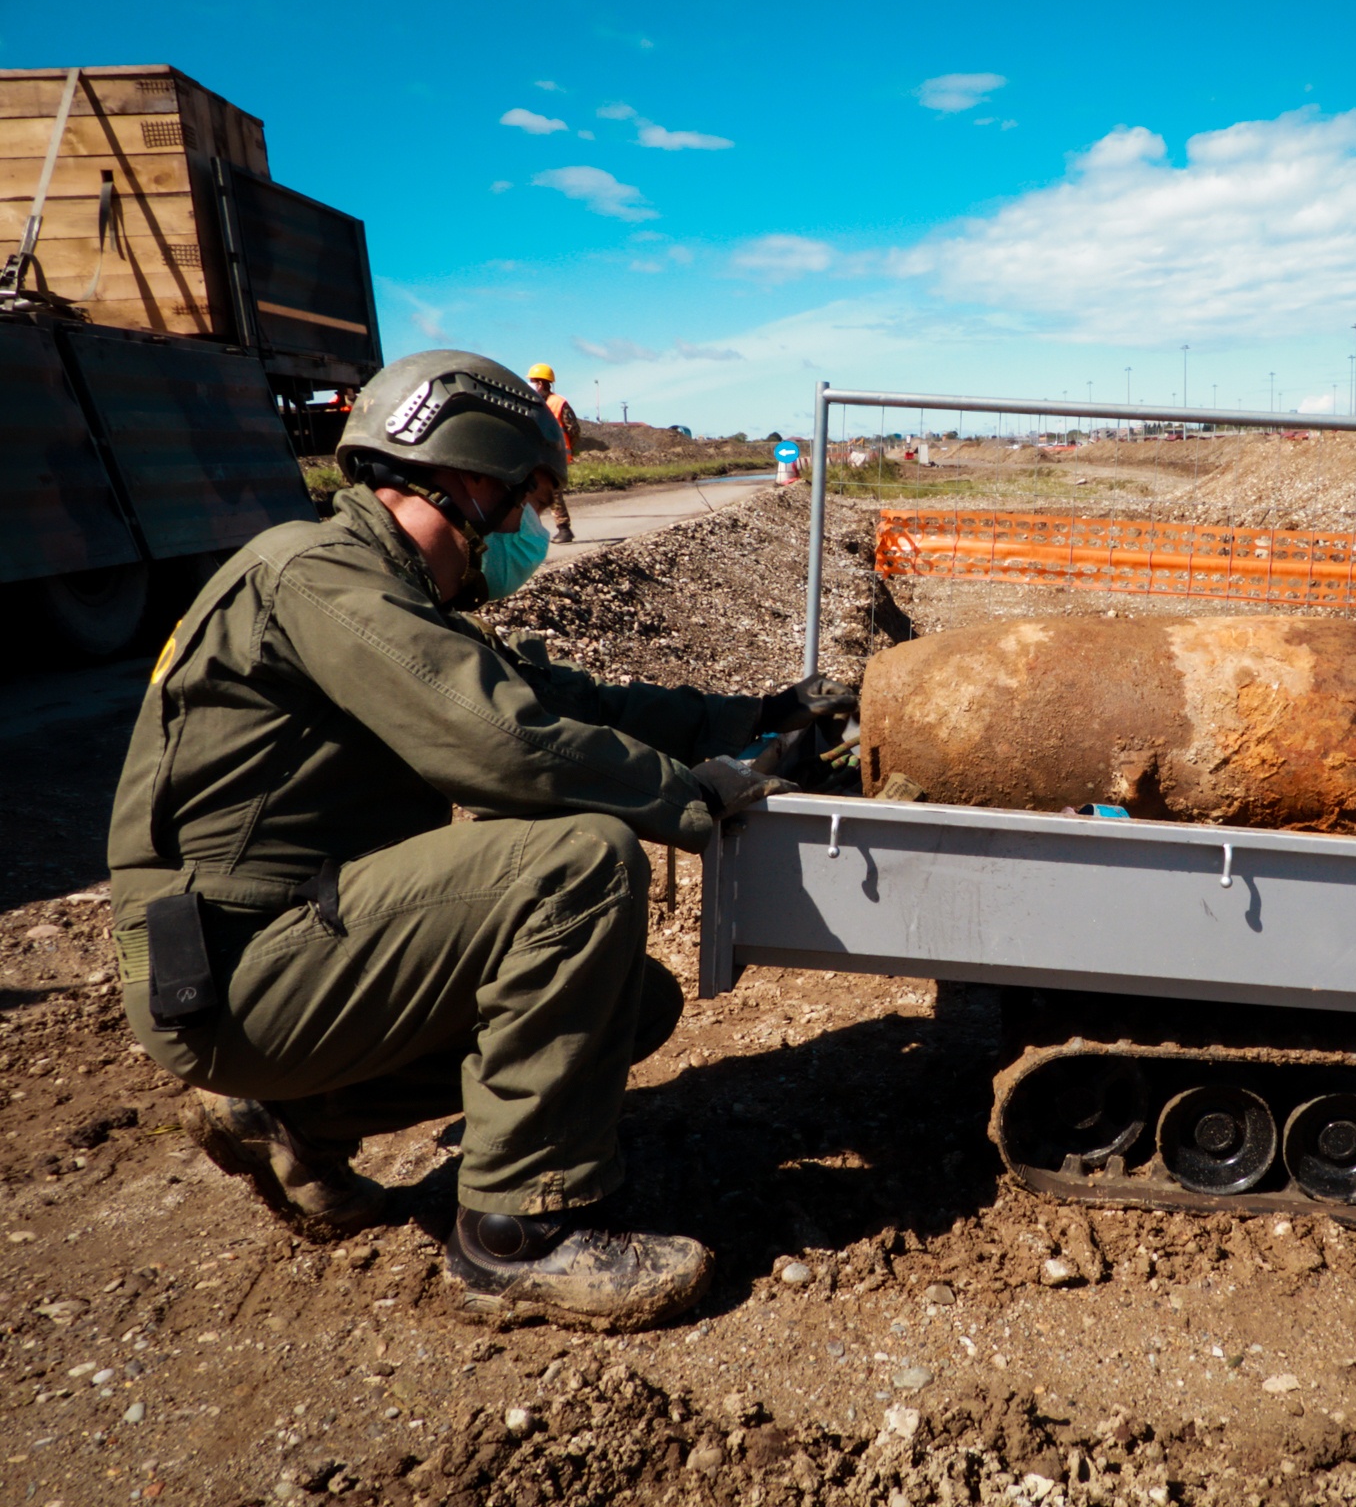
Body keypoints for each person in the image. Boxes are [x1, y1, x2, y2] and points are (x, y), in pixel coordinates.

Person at [107, 349, 855, 1330]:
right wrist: (699, 795)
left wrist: (743, 717)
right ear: (462, 477)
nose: (525, 530)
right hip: (234, 973)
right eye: (522, 499)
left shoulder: (382, 587)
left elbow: (556, 703)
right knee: (578, 865)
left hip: (285, 948)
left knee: (627, 1006)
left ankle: (290, 1119)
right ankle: (514, 1238)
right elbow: (502, 745)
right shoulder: (317, 577)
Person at [526, 362, 580, 544]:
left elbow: (574, 430)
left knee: (553, 492)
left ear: (541, 384)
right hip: (538, 455)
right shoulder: (533, 403)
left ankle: (564, 529)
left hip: (555, 456)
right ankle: (532, 531)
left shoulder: (558, 403)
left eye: (533, 381)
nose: (531, 384)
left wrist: (566, 448)